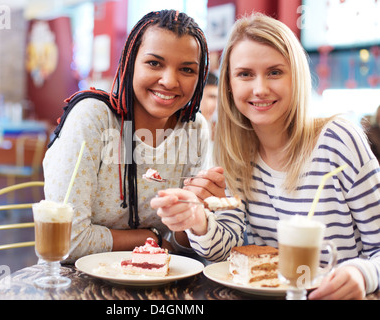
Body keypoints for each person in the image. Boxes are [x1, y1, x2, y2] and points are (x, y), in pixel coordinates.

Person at [151, 13, 380, 299]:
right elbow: (226, 252)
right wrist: (199, 220)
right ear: (230, 85)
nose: (260, 89)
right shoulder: (233, 153)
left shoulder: (338, 140)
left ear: (295, 76)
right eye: (245, 74)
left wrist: (362, 274)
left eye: (274, 72)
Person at [43, 10, 215, 262]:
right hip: (75, 281)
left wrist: (198, 214)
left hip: (157, 280)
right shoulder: (94, 118)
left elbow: (181, 246)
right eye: (154, 63)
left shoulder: (194, 127)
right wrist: (150, 238)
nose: (169, 81)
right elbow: (65, 240)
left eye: (187, 69)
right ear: (129, 62)